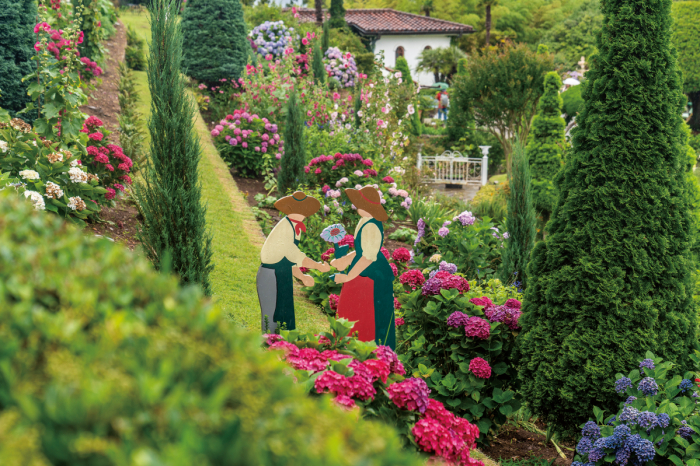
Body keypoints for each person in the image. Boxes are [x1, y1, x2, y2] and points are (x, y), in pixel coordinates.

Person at [331, 186, 396, 349]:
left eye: (360, 204)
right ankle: (346, 346)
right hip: (363, 269)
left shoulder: (372, 226)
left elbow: (368, 257)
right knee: (351, 307)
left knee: (368, 313)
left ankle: (367, 349)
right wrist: (346, 259)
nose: (357, 207)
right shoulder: (365, 221)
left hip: (372, 275)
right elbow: (362, 250)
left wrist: (347, 277)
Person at [257, 191, 330, 333]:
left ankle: (281, 341)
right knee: (271, 314)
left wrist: (302, 277)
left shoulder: (294, 226)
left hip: (281, 273)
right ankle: (267, 344)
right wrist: (318, 266)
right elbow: (293, 255)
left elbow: (288, 260)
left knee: (283, 310)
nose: (304, 212)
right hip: (270, 274)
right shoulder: (286, 227)